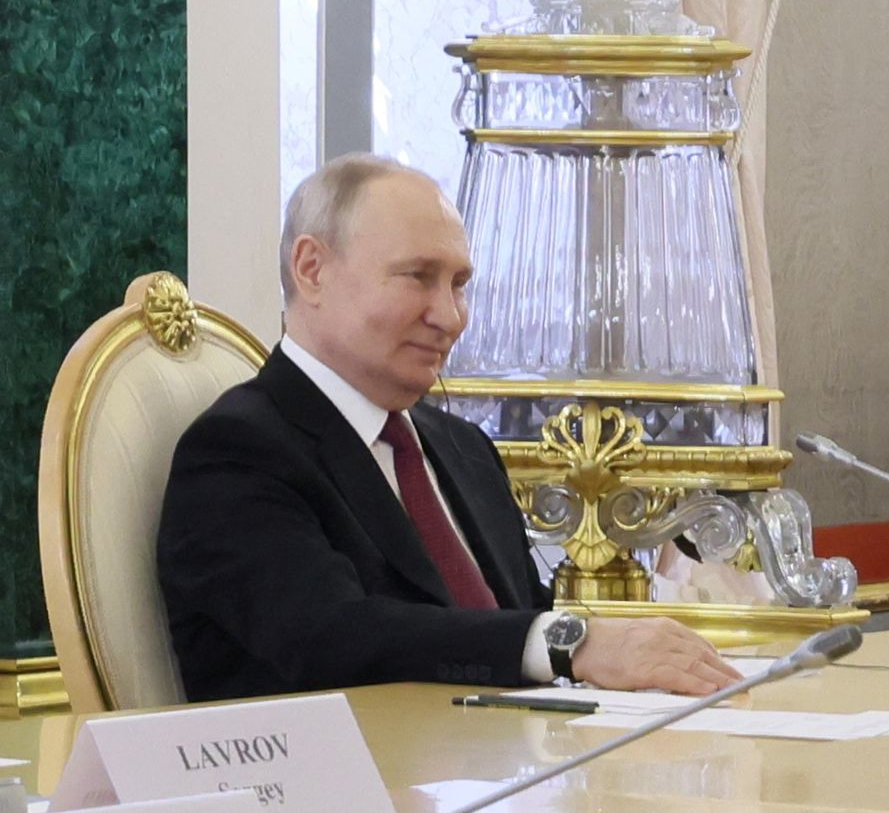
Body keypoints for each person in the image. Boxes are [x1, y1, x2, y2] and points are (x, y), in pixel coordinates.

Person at [157, 155, 740, 702]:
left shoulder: (462, 449)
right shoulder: (238, 453)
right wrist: (574, 642)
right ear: (312, 269)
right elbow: (329, 637)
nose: (450, 316)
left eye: (459, 283)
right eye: (418, 277)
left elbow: (512, 629)